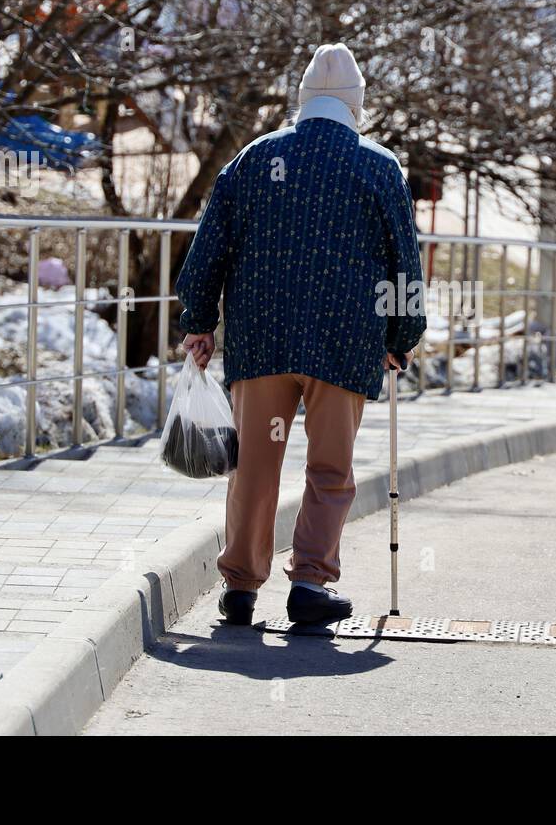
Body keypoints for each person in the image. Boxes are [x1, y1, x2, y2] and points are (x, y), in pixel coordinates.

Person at [175, 42, 426, 626]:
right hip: (345, 342)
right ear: (356, 105)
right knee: (331, 470)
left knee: (256, 468)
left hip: (263, 339)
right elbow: (404, 265)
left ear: (303, 100)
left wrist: (199, 323)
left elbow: (209, 247)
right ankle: (310, 582)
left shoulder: (255, 158)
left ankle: (239, 586)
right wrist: (402, 334)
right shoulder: (378, 166)